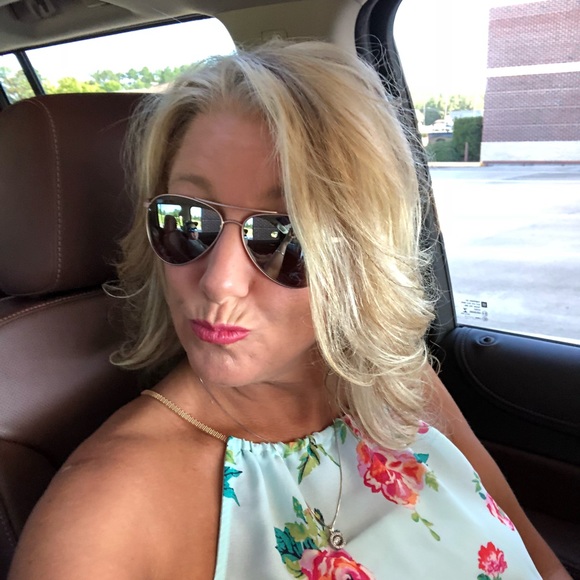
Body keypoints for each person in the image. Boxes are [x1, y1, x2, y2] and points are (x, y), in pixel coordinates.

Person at [9, 41, 570, 579]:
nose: (220, 282)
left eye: (286, 237)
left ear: (362, 255)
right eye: (188, 221)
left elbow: (538, 562)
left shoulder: (398, 379)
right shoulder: (106, 510)